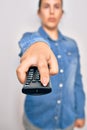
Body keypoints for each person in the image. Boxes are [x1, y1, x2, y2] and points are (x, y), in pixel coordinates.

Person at [16, 0, 85, 130]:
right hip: (36, 122)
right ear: (39, 12)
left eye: (57, 7)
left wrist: (80, 112)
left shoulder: (72, 45)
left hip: (67, 121)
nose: (52, 11)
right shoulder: (31, 38)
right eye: (47, 6)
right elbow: (28, 40)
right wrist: (37, 45)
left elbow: (77, 81)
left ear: (62, 13)